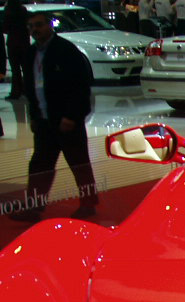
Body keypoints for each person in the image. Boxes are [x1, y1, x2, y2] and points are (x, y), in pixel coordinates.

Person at [10, 12, 99, 222]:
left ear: (50, 25)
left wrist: (72, 116)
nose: (35, 30)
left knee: (78, 163)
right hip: (44, 120)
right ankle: (34, 205)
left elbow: (80, 87)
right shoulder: (31, 53)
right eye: (31, 26)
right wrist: (33, 115)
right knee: (39, 166)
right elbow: (31, 87)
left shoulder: (66, 51)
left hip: (67, 120)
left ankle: (88, 203)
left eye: (39, 25)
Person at [4, 0, 30, 100]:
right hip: (24, 43)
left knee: (15, 70)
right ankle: (26, 90)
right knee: (26, 69)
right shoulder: (23, 10)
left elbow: (5, 27)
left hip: (13, 44)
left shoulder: (8, 10)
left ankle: (16, 91)